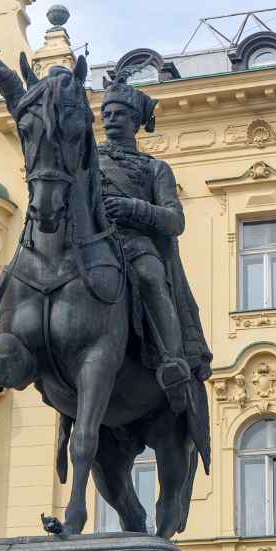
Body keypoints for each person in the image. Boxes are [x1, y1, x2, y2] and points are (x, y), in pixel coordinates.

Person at [99, 70, 212, 413]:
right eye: (105, 114)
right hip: (91, 243)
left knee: (150, 277)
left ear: (135, 121)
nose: (110, 120)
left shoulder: (154, 169)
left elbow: (174, 220)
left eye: (119, 114)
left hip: (134, 244)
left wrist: (133, 207)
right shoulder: (89, 159)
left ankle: (172, 361)